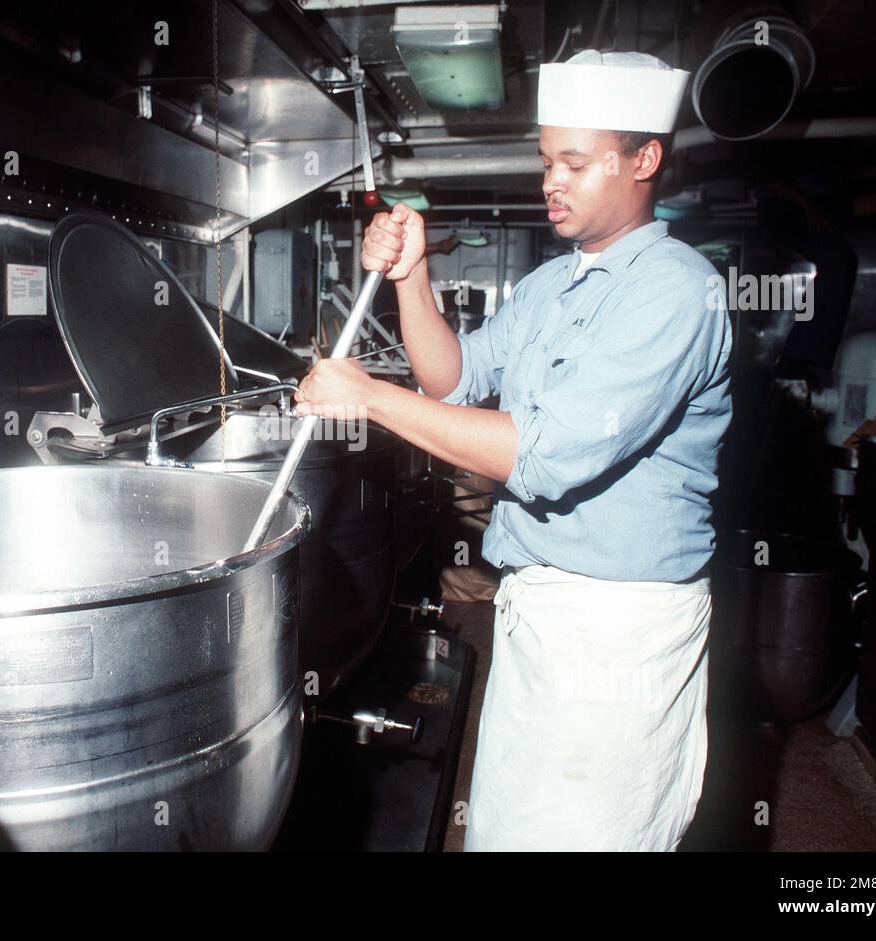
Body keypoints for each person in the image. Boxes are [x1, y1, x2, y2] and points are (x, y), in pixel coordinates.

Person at [292, 50, 733, 851]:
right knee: (510, 828)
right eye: (543, 161)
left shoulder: (676, 289)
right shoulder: (550, 285)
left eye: (573, 162)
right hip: (538, 602)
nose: (549, 182)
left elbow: (542, 456)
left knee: (592, 833)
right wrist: (412, 274)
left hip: (618, 625)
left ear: (643, 159)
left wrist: (366, 395)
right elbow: (454, 382)